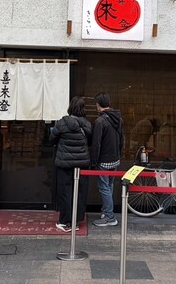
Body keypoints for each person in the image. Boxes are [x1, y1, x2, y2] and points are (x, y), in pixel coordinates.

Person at [49, 96, 92, 233]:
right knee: (80, 192)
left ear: (70, 107)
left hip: (64, 163)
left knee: (65, 192)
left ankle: (64, 221)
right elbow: (90, 141)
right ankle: (76, 221)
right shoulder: (86, 124)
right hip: (82, 164)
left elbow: (51, 139)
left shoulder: (62, 123)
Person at [90, 92, 124, 227]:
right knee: (109, 186)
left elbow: (96, 144)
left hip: (103, 160)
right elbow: (122, 140)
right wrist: (118, 154)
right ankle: (106, 211)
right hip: (115, 159)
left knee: (104, 187)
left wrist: (93, 162)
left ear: (98, 105)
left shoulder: (100, 121)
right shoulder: (119, 119)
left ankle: (109, 217)